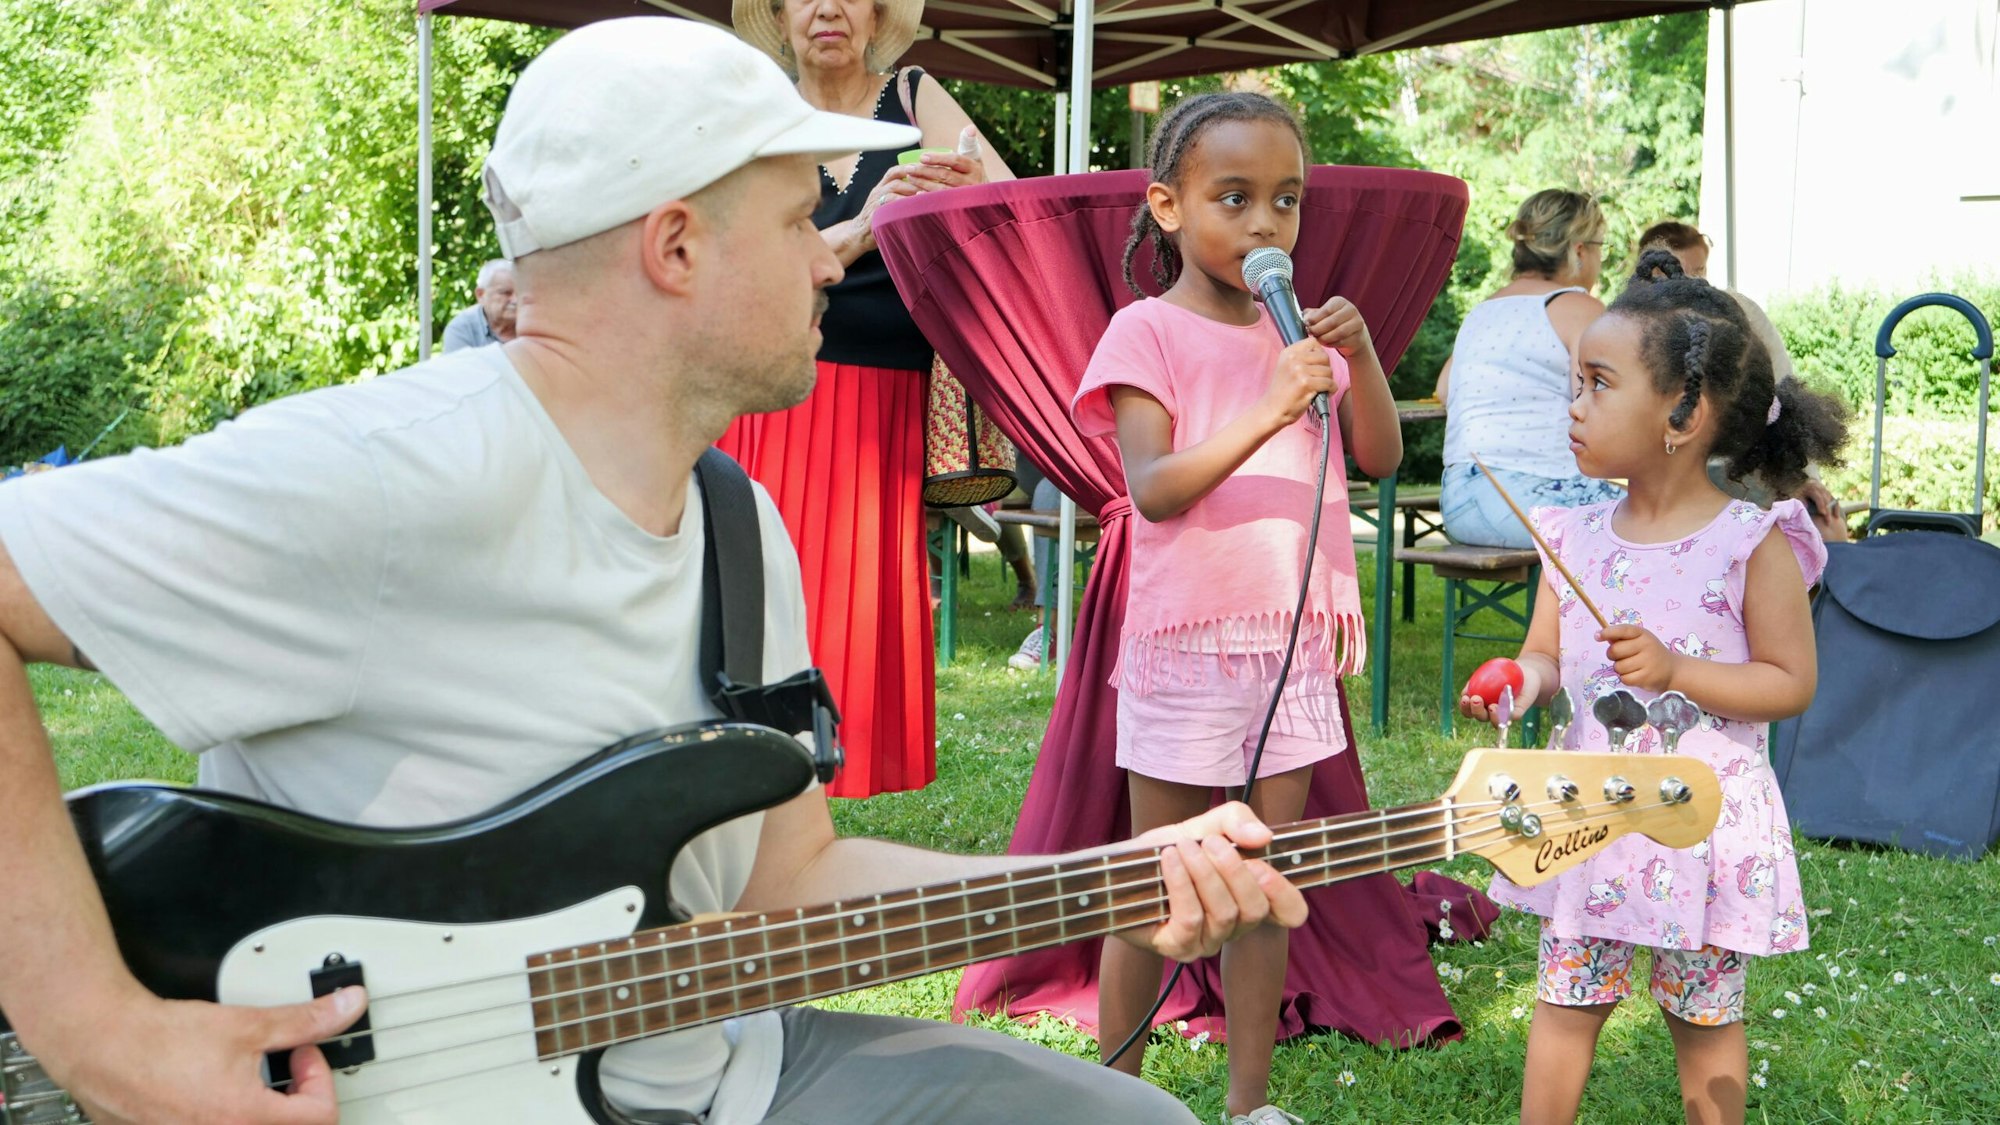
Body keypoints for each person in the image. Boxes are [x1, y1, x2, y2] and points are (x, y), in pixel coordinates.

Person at [0, 20, 1306, 1125]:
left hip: (721, 1069)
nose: (828, 258)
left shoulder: (738, 527)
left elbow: (786, 884)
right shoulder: (404, 468)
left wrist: (1125, 874)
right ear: (676, 246)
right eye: (803, 215)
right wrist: (103, 1033)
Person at [1458, 248, 1850, 1125]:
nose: (1574, 404)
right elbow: (1549, 658)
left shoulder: (1753, 542)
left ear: (1684, 410)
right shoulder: (1569, 533)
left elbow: (1790, 682)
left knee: (1703, 1013)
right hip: (1591, 812)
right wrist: (1517, 682)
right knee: (1567, 997)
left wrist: (1679, 671)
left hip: (1699, 819)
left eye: (1598, 382)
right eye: (1575, 381)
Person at [1073, 92, 1403, 1125]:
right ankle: (1109, 1097)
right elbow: (1155, 487)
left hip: (1290, 643)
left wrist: (1363, 368)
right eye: (1234, 198)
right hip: (1186, 644)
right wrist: (1268, 403)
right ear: (1166, 207)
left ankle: (1248, 1104)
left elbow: (1382, 457)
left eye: (1286, 202)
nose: (1266, 225)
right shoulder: (1146, 330)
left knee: (1265, 882)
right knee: (1153, 888)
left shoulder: (1300, 339)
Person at [721, 0, 1011, 797]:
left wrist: (957, 194)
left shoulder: (915, 93)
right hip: (775, 392)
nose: (828, 8)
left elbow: (1010, 211)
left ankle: (821, 790)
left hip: (887, 400)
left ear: (875, 12)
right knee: (769, 596)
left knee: (851, 612)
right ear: (781, 15)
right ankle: (758, 772)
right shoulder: (757, 110)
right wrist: (867, 226)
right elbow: (736, 263)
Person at [1637, 220, 1849, 541]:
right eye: (1678, 271)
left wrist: (1804, 478)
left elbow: (1786, 402)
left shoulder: (1741, 313)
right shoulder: (1630, 327)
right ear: (1648, 271)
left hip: (1743, 471)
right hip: (1669, 478)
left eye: (1700, 271)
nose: (1693, 283)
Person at [1437, 189, 1622, 548]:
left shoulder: (1482, 312)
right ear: (1580, 250)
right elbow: (1599, 404)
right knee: (1662, 517)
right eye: (1601, 246)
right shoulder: (1580, 308)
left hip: (1460, 502)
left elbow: (1444, 391)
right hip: (1532, 499)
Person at [439, 257, 516, 351]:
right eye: (506, 293)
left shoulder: (533, 321)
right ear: (481, 295)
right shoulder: (463, 328)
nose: (515, 300)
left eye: (520, 292)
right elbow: (458, 365)